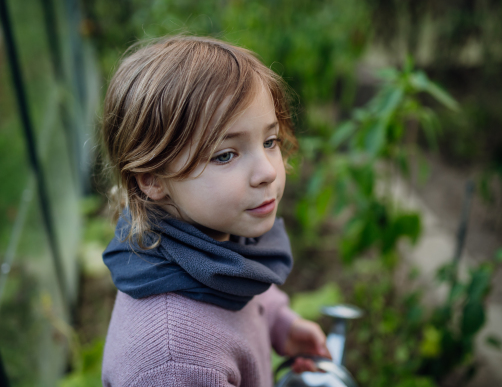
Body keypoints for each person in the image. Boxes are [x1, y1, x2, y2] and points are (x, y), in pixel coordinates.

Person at [100, 36, 330, 386]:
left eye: (270, 141)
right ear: (152, 179)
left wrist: (281, 324)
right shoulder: (174, 363)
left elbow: (244, 287)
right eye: (225, 155)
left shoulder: (210, 237)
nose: (268, 171)